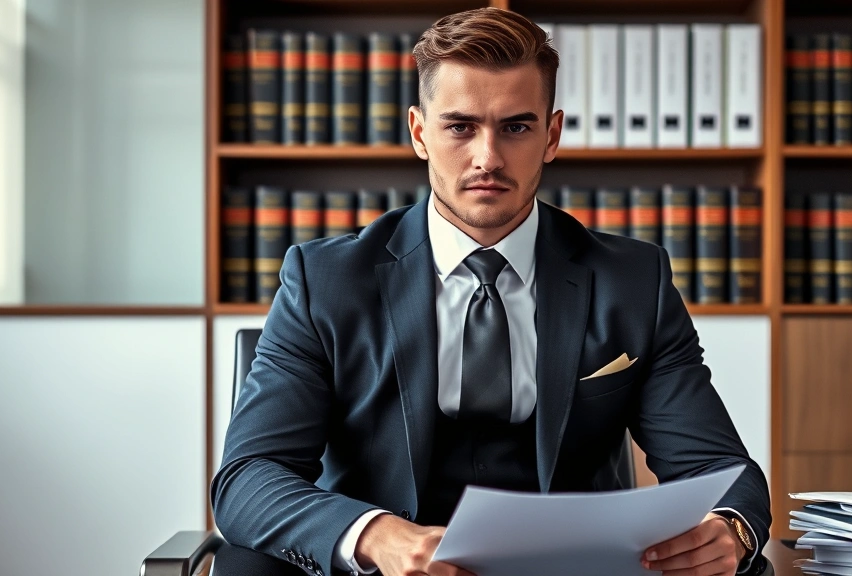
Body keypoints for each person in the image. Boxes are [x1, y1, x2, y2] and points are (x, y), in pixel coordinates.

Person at [211, 8, 771, 576]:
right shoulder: (324, 281)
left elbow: (720, 467)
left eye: (516, 127)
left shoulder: (632, 281)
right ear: (420, 132)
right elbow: (249, 476)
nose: (488, 158)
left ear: (551, 135)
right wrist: (375, 536)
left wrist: (730, 529)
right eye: (460, 127)